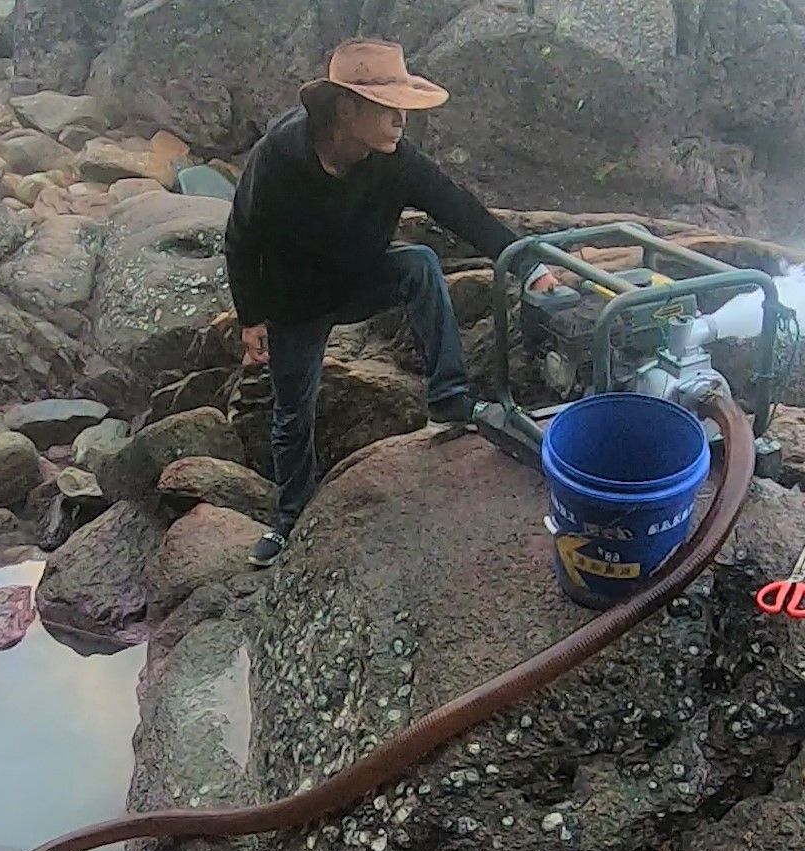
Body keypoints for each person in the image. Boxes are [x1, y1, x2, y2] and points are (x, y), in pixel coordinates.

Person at [225, 38, 556, 568]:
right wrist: (250, 318)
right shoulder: (280, 158)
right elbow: (241, 236)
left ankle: (449, 395)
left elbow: (462, 211)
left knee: (420, 263)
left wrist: (529, 265)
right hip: (296, 303)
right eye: (389, 106)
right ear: (346, 109)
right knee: (293, 411)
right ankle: (290, 520)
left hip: (361, 278)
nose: (402, 118)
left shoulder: (397, 163)